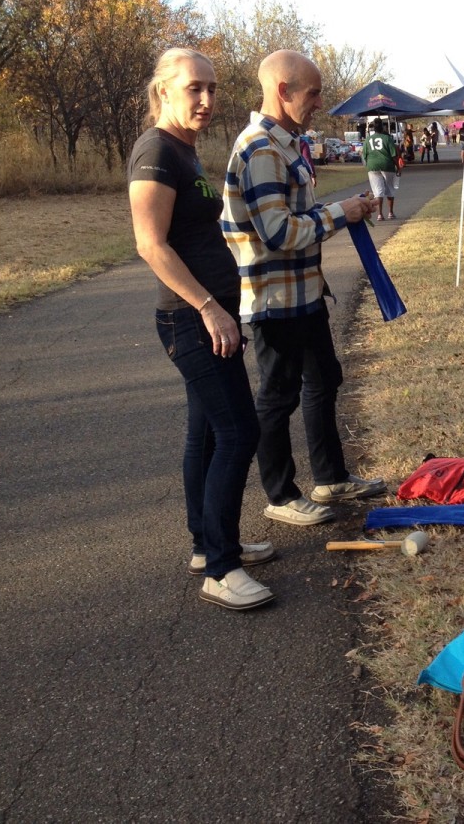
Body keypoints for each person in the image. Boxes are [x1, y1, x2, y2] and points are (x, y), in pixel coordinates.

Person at [128, 47, 275, 611]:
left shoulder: (184, 151)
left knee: (208, 434)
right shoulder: (156, 152)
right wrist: (211, 308)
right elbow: (150, 244)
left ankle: (206, 544)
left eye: (212, 88)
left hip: (204, 316)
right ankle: (221, 567)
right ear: (164, 90)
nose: (207, 99)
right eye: (194, 88)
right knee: (240, 433)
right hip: (191, 321)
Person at [222, 49, 387, 528]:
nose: (318, 101)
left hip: (304, 295)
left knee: (324, 379)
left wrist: (343, 209)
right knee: (278, 396)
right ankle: (280, 494)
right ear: (283, 91)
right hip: (274, 302)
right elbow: (278, 232)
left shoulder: (287, 143)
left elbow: (296, 218)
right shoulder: (260, 149)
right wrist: (342, 213)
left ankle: (330, 477)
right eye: (312, 93)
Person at [363, 119, 398, 221]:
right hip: (387, 165)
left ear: (373, 128)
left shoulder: (368, 139)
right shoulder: (387, 138)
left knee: (378, 191)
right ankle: (390, 213)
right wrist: (398, 167)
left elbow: (364, 155)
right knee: (390, 188)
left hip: (372, 166)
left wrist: (368, 164)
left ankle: (380, 215)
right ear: (382, 127)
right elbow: (394, 155)